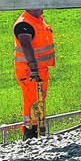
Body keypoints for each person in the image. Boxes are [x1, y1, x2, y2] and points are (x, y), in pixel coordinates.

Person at [13, 9, 55, 139]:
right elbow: (26, 45)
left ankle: (39, 129)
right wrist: (33, 66)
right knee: (32, 99)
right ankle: (30, 131)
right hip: (29, 70)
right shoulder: (24, 24)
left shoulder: (38, 20)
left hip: (40, 68)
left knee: (39, 98)